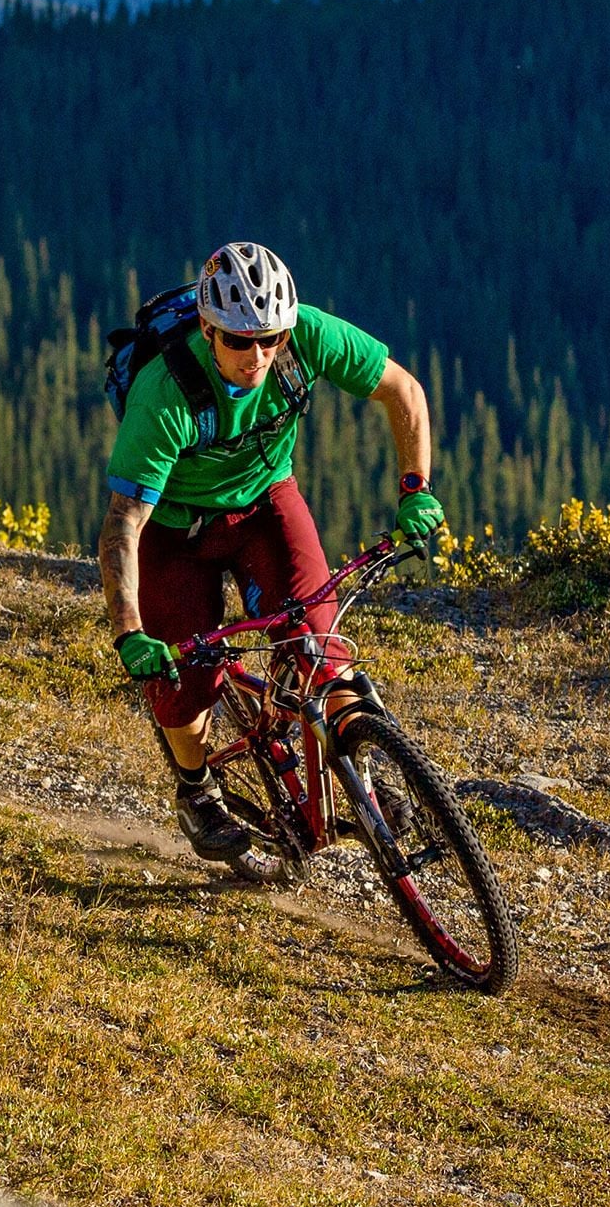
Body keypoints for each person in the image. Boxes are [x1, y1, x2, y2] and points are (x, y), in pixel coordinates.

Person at [99, 240, 442, 861]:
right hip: (173, 530)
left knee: (322, 649)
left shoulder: (306, 337)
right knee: (186, 682)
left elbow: (404, 391)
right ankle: (196, 788)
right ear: (207, 329)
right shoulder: (165, 392)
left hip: (264, 503)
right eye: (238, 340)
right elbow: (124, 523)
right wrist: (130, 633)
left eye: (271, 337)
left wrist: (415, 490)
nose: (257, 354)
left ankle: (362, 777)